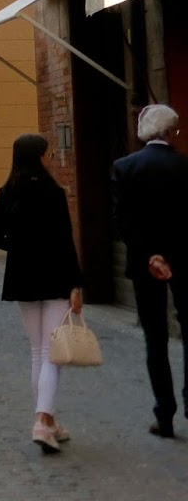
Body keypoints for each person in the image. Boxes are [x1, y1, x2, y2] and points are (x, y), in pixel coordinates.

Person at [0, 132, 83, 453]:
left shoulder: (6, 193)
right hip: (55, 276)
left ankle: (50, 421)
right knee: (51, 352)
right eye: (47, 153)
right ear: (37, 156)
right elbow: (66, 242)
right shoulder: (53, 192)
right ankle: (42, 422)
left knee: (37, 352)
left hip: (22, 277)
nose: (51, 157)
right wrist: (76, 284)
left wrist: (20, 247)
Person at [112, 104, 188, 439]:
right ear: (171, 131)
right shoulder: (185, 166)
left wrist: (151, 255)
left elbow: (123, 222)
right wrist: (170, 254)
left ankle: (165, 414)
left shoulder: (125, 167)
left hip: (145, 264)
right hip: (185, 260)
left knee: (154, 339)